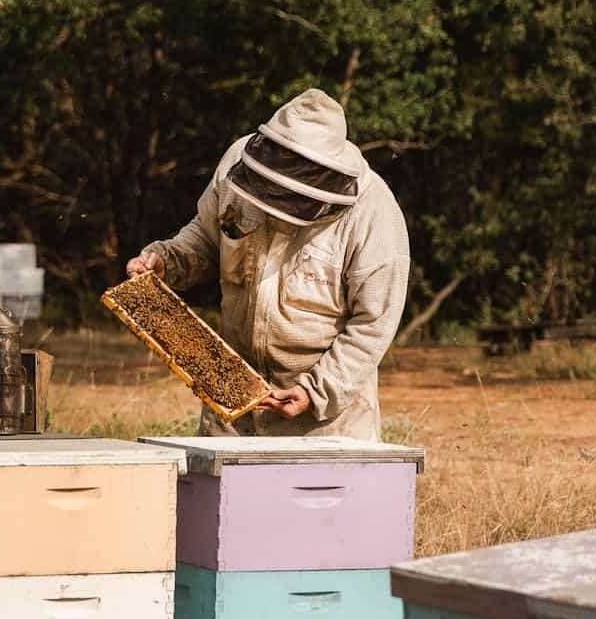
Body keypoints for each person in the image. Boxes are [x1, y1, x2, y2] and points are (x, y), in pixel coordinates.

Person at [126, 88, 410, 441]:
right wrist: (169, 260)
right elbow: (207, 234)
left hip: (324, 422)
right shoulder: (237, 165)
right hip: (231, 402)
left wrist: (316, 390)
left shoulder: (374, 216)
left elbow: (373, 324)